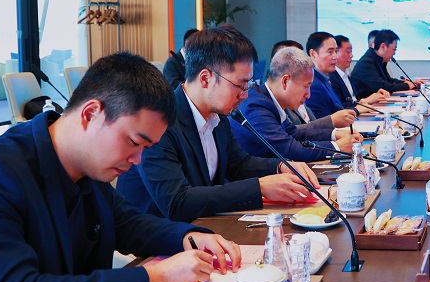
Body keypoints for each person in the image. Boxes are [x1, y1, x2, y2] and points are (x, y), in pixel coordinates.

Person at [0, 52, 240, 282]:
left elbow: (126, 222)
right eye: (134, 142)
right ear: (91, 114)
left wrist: (188, 237)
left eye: (146, 149)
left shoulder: (87, 163)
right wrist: (155, 279)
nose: (137, 160)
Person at [116, 26, 320, 222]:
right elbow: (177, 202)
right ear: (205, 78)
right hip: (159, 237)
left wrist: (281, 166)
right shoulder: (161, 121)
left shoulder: (218, 116)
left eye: (248, 85)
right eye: (240, 85)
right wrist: (259, 187)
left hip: (205, 225)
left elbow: (238, 164)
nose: (245, 95)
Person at [231, 47, 358, 162]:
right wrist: (338, 146)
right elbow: (290, 150)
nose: (308, 95)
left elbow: (296, 134)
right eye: (306, 86)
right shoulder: (256, 107)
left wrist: (335, 135)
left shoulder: (269, 99)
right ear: (285, 81)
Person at [304, 32, 367, 122]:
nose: (335, 57)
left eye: (336, 51)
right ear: (313, 54)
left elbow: (337, 110)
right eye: (330, 52)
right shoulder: (313, 84)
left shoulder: (324, 79)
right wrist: (356, 110)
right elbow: (324, 122)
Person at [350, 29, 420, 95]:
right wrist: (407, 85)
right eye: (394, 49)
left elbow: (389, 81)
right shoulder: (366, 63)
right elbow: (383, 86)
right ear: (383, 46)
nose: (394, 53)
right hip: (366, 102)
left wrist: (409, 83)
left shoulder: (379, 60)